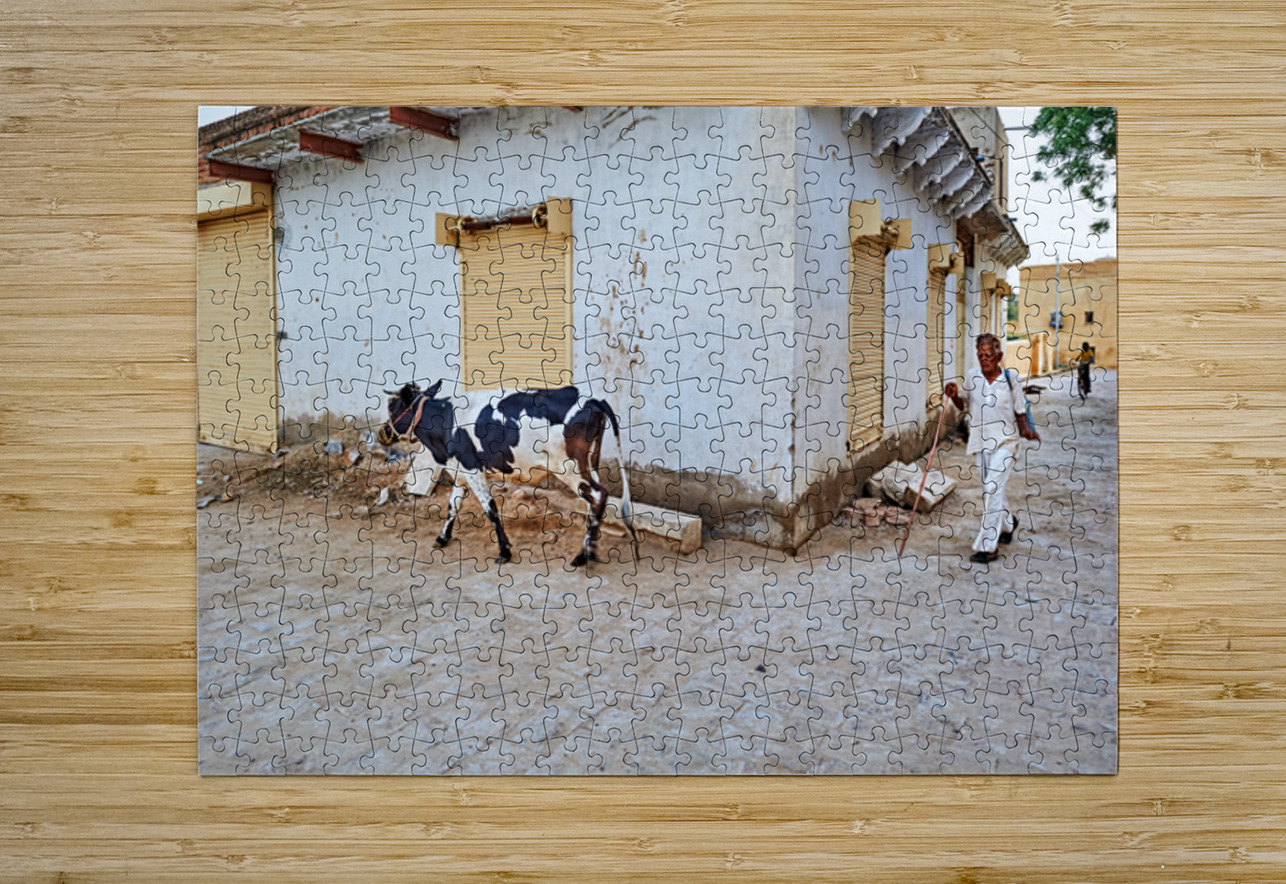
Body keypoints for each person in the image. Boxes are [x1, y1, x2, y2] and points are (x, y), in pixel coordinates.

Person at [944, 333, 1040, 564]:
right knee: (991, 489)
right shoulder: (972, 376)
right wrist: (954, 395)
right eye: (980, 355)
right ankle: (1007, 523)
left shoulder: (1011, 379)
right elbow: (963, 403)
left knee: (992, 488)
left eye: (988, 355)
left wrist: (1026, 430)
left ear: (999, 355)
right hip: (980, 442)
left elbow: (1020, 410)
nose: (984, 359)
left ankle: (988, 546)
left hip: (1007, 443)